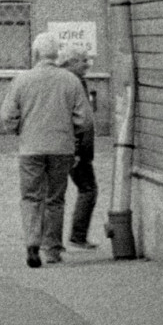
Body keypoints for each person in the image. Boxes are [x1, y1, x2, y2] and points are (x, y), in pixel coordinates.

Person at [0, 32, 93, 268]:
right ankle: (52, 250)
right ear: (56, 55)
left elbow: (8, 116)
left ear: (35, 54)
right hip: (62, 149)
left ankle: (32, 243)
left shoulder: (21, 80)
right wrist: (71, 132)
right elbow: (85, 121)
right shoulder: (70, 81)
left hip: (30, 148)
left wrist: (19, 129)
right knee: (55, 199)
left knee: (31, 197)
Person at [59, 43, 99, 250]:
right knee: (88, 189)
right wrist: (76, 149)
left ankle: (54, 242)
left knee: (54, 195)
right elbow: (73, 118)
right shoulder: (72, 82)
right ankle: (77, 237)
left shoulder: (72, 80)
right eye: (84, 60)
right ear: (72, 62)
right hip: (75, 148)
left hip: (71, 146)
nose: (87, 64)